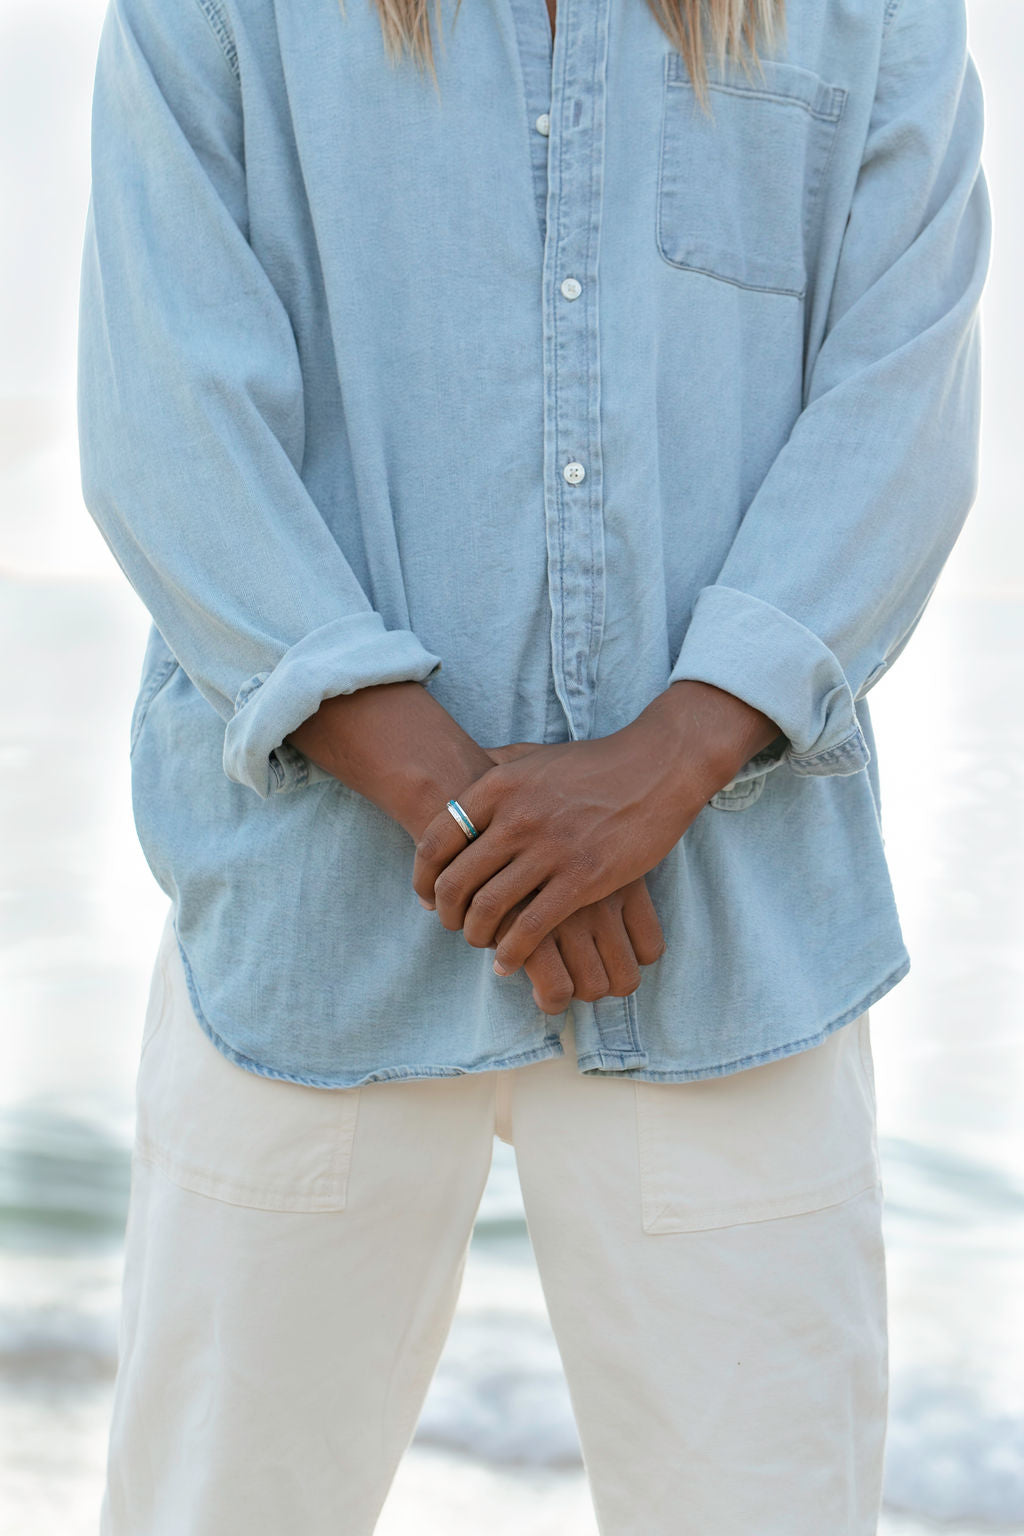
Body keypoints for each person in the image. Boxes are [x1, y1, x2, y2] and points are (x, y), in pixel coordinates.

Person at [76, 0, 990, 1529]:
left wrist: (676, 760)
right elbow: (167, 417)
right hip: (319, 922)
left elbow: (905, 387)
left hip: (727, 933)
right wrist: (479, 816)